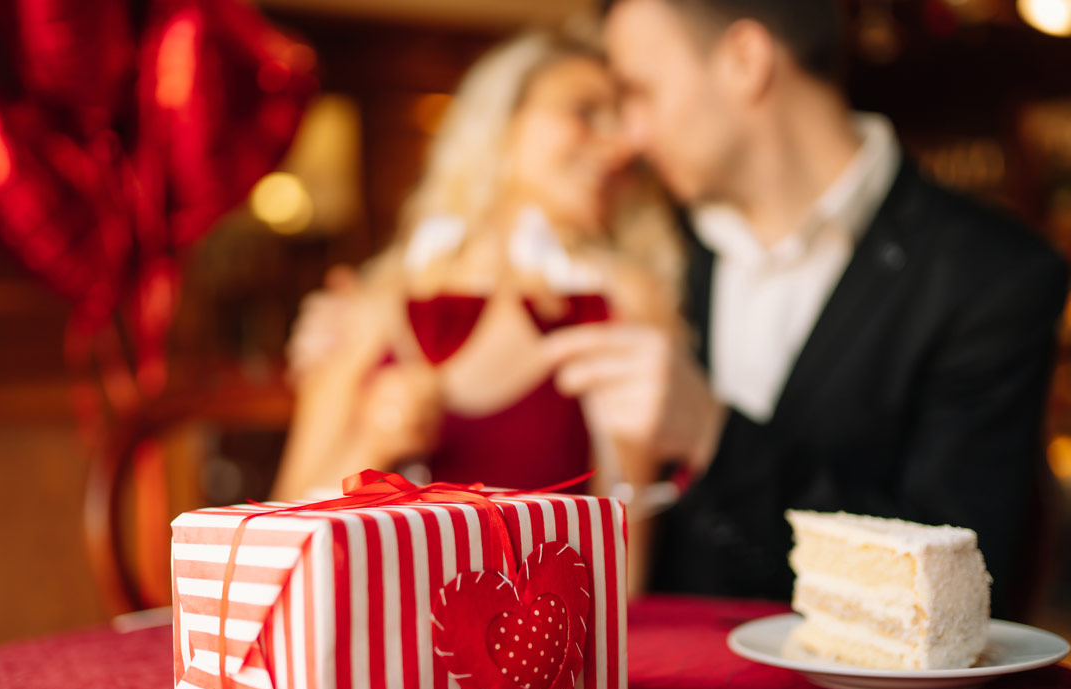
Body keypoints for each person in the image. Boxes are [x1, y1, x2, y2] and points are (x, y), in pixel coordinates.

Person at [545, 0, 1069, 617]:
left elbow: (964, 583)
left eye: (641, 91)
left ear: (745, 60)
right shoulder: (650, 248)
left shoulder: (993, 273)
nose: (629, 134)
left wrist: (714, 435)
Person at [273, 27, 683, 534]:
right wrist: (374, 444)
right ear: (500, 125)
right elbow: (281, 531)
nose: (620, 146)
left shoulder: (617, 304)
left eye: (623, 122)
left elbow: (624, 553)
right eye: (585, 112)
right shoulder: (375, 302)